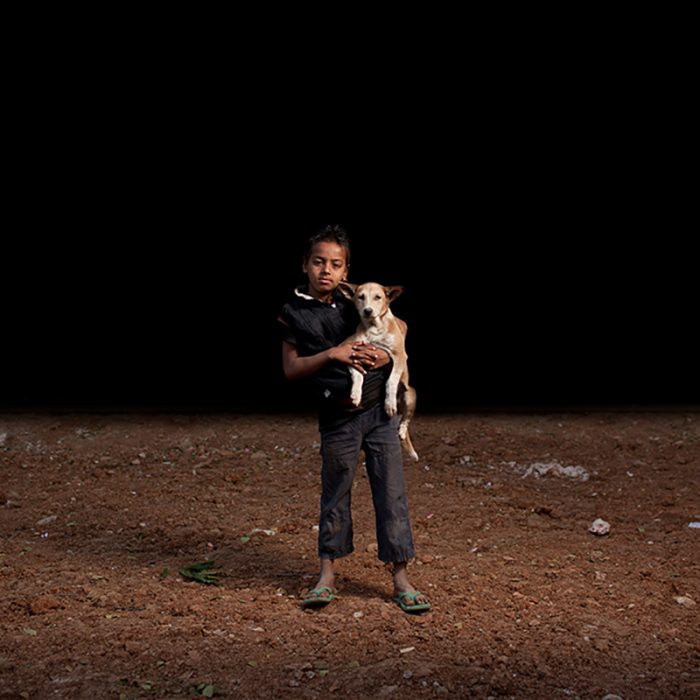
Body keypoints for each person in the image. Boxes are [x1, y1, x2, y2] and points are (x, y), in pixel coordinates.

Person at [278, 225, 430, 614]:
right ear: (305, 265)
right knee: (335, 492)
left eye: (335, 264)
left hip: (380, 412)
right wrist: (332, 354)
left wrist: (385, 355)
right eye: (318, 262)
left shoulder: (356, 300)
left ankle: (401, 577)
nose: (326, 271)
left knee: (391, 490)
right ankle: (327, 575)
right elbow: (292, 369)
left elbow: (401, 324)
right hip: (337, 416)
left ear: (346, 272)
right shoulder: (294, 311)